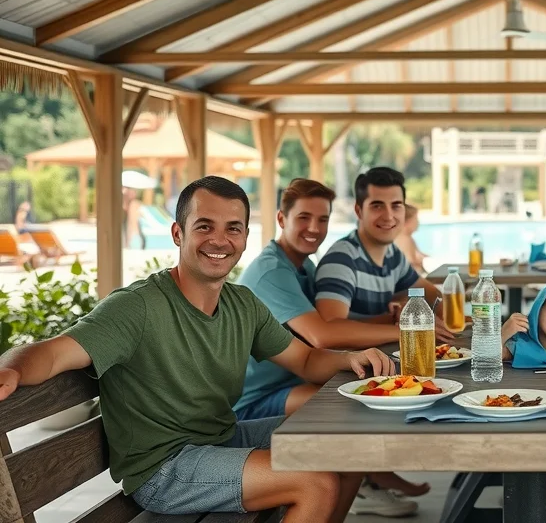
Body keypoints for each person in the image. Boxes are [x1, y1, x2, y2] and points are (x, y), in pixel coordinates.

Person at [0, 176, 395, 523]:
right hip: (164, 468)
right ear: (178, 233)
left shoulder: (242, 304)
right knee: (314, 483)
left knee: (345, 442)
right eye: (204, 226)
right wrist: (11, 368)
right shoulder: (136, 307)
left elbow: (306, 359)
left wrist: (349, 358)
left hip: (221, 440)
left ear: (244, 236)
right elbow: (54, 352)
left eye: (233, 228)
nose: (220, 240)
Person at [233, 178, 428, 516]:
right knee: (355, 413)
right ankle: (371, 478)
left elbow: (326, 328)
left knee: (365, 403)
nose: (314, 228)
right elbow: (322, 336)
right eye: (304, 218)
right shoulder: (271, 271)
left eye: (322, 220)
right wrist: (401, 331)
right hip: (253, 400)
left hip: (292, 381)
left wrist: (389, 317)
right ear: (281, 219)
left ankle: (368, 480)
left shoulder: (303, 265)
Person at [315, 167, 448, 329]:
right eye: (377, 206)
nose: (388, 216)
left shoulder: (393, 255)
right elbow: (332, 328)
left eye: (396, 205)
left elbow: (432, 295)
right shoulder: (342, 259)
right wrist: (397, 321)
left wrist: (447, 324)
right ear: (359, 211)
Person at [394, 203, 428, 275]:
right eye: (416, 219)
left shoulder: (408, 238)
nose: (418, 222)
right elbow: (409, 263)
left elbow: (420, 255)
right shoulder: (404, 239)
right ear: (406, 222)